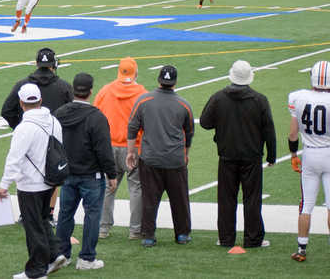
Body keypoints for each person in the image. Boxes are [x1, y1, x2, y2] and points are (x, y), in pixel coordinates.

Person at [199, 60, 276, 249]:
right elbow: (269, 130)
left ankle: (226, 238)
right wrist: (271, 155)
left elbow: (205, 122)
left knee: (226, 199)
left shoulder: (219, 98)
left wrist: (223, 124)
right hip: (252, 156)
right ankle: (253, 238)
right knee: (252, 198)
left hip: (227, 155)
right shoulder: (259, 100)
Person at [0, 83, 63, 279]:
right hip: (50, 180)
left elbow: (14, 158)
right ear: (40, 101)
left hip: (30, 184)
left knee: (33, 226)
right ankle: (54, 254)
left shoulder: (24, 128)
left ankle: (36, 270)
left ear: (21, 103)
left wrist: (4, 184)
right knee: (42, 220)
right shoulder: (53, 121)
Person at [52, 73, 116, 271]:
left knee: (65, 214)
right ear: (90, 91)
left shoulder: (60, 113)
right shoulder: (96, 117)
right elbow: (103, 149)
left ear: (73, 89)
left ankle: (62, 254)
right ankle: (86, 258)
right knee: (92, 216)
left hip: (68, 172)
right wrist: (111, 174)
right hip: (91, 175)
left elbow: (53, 143)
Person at [126, 65, 194, 247]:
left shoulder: (143, 100)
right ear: (175, 82)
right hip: (175, 160)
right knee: (179, 200)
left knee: (149, 199)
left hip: (150, 159)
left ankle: (148, 235)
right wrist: (185, 154)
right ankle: (182, 234)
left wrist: (131, 152)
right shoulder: (183, 104)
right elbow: (189, 133)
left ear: (158, 80)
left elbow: (132, 128)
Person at [94, 57, 146, 240]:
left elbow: (95, 116)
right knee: (136, 188)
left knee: (108, 187)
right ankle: (135, 230)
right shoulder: (142, 93)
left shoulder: (106, 91)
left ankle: (102, 228)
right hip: (134, 147)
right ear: (135, 73)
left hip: (109, 146)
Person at [288, 59, 330, 262]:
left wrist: (293, 155)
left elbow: (293, 133)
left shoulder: (298, 97)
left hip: (310, 154)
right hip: (329, 152)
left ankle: (301, 248)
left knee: (306, 204)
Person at [1, 48, 73, 130]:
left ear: (37, 64)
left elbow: (7, 111)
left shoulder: (21, 85)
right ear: (54, 65)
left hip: (28, 133)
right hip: (55, 137)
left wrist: (19, 126)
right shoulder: (64, 86)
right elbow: (74, 113)